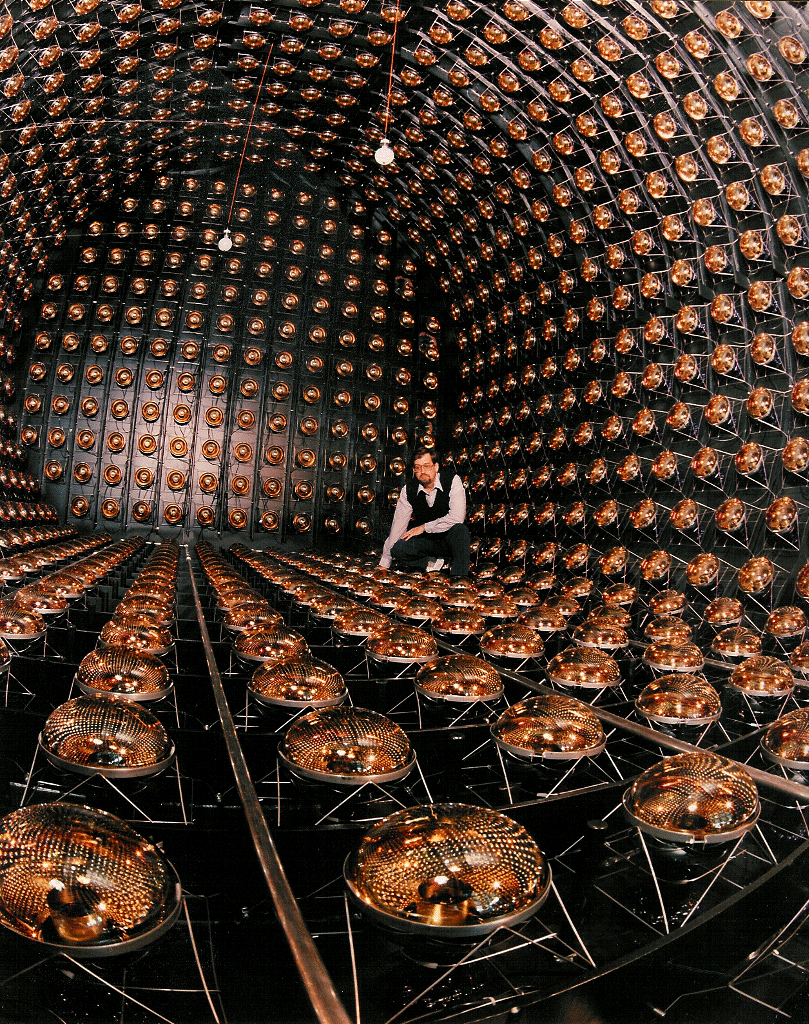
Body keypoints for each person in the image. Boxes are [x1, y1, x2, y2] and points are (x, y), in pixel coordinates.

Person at [379, 447, 470, 577]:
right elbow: (398, 527)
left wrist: (424, 527)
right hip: (427, 543)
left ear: (436, 467)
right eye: (417, 467)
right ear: (413, 470)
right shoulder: (408, 490)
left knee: (461, 530)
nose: (422, 471)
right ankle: (430, 565)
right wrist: (385, 562)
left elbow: (457, 517)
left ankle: (458, 579)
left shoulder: (452, 481)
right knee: (397, 548)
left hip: (448, 540)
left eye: (426, 466)